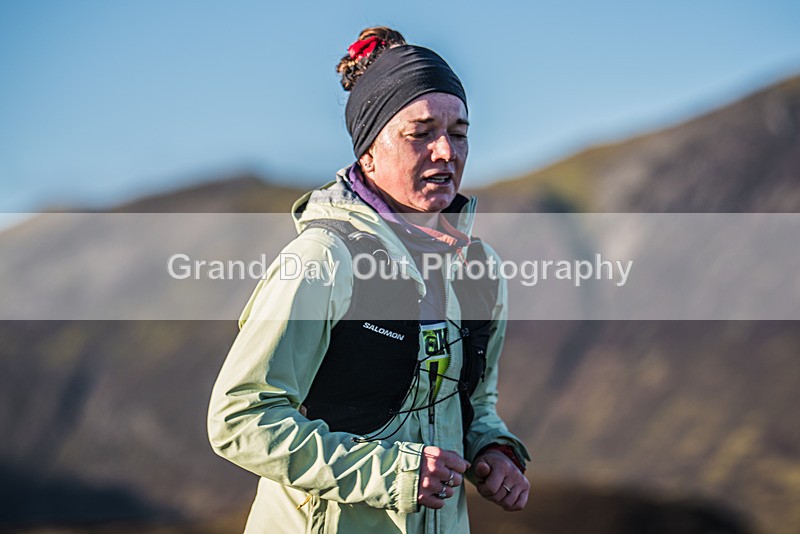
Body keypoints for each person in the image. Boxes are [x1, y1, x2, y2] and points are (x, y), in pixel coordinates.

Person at [207, 26, 530, 533]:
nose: (446, 151)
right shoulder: (322, 259)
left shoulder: (480, 271)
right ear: (368, 153)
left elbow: (474, 404)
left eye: (459, 133)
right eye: (420, 133)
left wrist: (493, 449)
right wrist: (390, 472)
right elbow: (241, 419)